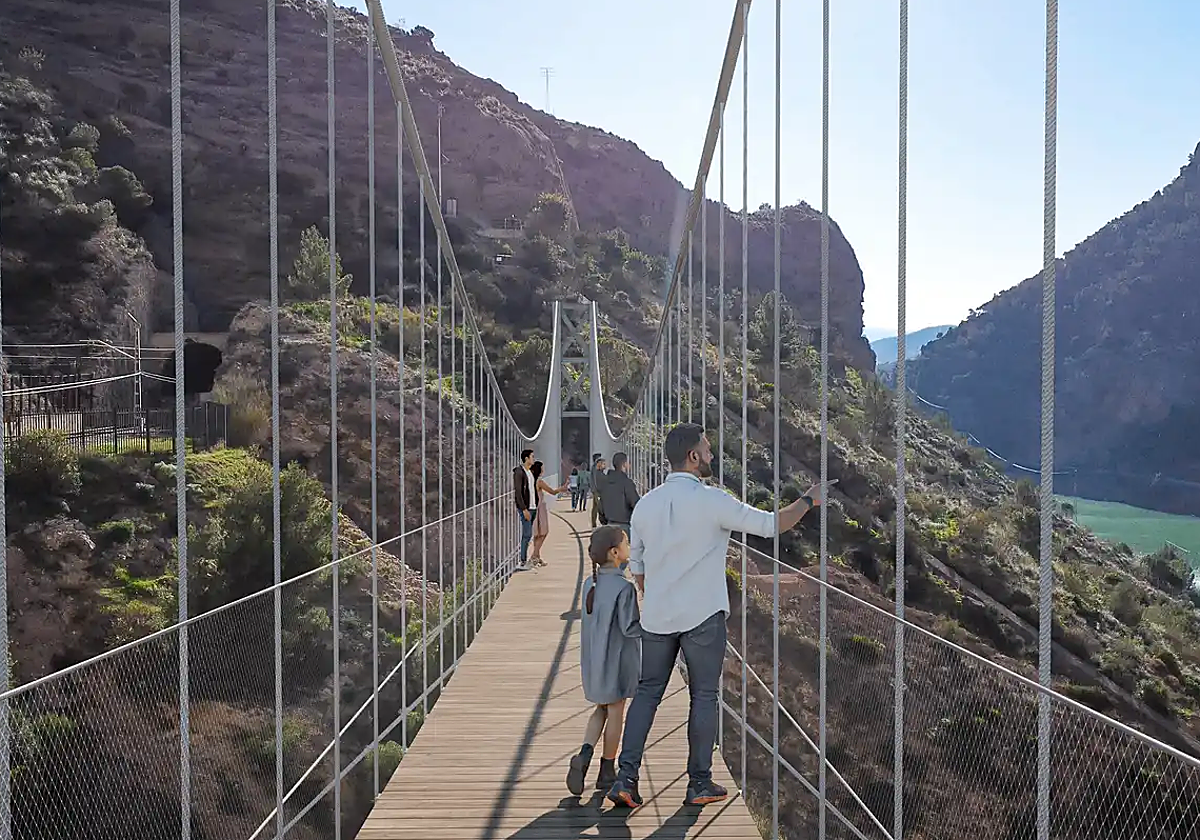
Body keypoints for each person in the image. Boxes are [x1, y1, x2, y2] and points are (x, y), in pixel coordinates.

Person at [607, 423, 832, 810]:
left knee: (647, 694)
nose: (711, 457)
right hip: (702, 617)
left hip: (658, 617)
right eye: (707, 451)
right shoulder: (714, 501)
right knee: (704, 696)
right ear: (693, 457)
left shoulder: (645, 505)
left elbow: (639, 569)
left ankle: (625, 778)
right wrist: (809, 501)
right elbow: (769, 525)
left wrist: (660, 595)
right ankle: (699, 783)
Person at [566, 525, 640, 796]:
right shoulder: (625, 588)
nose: (630, 548)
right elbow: (630, 628)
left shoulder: (590, 584)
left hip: (594, 661)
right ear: (615, 552)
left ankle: (584, 754)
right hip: (616, 662)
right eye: (627, 543)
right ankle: (607, 769)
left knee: (601, 709)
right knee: (616, 711)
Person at [529, 461, 568, 564]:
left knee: (537, 534)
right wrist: (562, 488)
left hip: (532, 508)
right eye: (542, 468)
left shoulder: (530, 480)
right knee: (544, 532)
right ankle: (534, 555)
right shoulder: (539, 481)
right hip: (540, 508)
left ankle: (537, 557)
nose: (543, 470)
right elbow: (552, 492)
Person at [596, 451, 639, 537]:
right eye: (628, 463)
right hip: (625, 527)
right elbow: (636, 505)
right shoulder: (627, 483)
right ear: (624, 464)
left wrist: (604, 521)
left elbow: (600, 506)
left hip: (609, 525)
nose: (629, 465)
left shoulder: (604, 483)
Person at [513, 449, 536, 571]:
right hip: (526, 508)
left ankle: (524, 560)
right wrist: (524, 509)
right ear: (526, 458)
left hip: (532, 507)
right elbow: (518, 492)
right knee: (527, 534)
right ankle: (522, 561)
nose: (534, 458)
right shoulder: (519, 472)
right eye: (532, 456)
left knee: (528, 535)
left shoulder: (529, 472)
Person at [590, 454, 607, 529]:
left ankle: (594, 525)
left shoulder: (595, 469)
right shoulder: (596, 469)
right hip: (597, 491)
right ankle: (603, 524)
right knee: (600, 507)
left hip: (595, 490)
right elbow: (596, 481)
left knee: (595, 507)